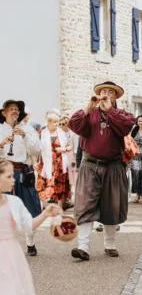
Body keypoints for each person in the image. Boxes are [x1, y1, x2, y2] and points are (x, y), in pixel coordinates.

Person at [68, 81, 135, 260]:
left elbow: (127, 125)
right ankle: (83, 247)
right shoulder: (90, 113)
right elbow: (73, 124)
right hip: (90, 165)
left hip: (113, 166)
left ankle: (110, 243)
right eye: (103, 91)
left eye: (110, 92)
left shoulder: (120, 114)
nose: (105, 94)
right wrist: (88, 108)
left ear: (115, 97)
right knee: (84, 205)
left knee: (112, 205)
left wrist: (109, 111)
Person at [0, 159, 60, 295]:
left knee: (10, 288)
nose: (14, 179)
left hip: (10, 254)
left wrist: (45, 214)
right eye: (9, 176)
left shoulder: (14, 202)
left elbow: (28, 226)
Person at [0, 100, 42, 256]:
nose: (15, 111)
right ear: (4, 113)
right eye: (11, 109)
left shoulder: (28, 128)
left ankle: (30, 243)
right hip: (3, 173)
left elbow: (37, 151)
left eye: (17, 109)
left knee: (30, 207)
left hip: (23, 172)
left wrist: (25, 136)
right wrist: (1, 144)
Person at [36, 112, 72, 209]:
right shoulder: (42, 133)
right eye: (55, 122)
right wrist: (36, 162)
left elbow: (70, 146)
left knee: (59, 185)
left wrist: (63, 149)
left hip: (59, 163)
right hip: (46, 163)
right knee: (43, 185)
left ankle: (59, 208)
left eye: (57, 122)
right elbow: (37, 148)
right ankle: (46, 207)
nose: (57, 124)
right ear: (49, 122)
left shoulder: (61, 132)